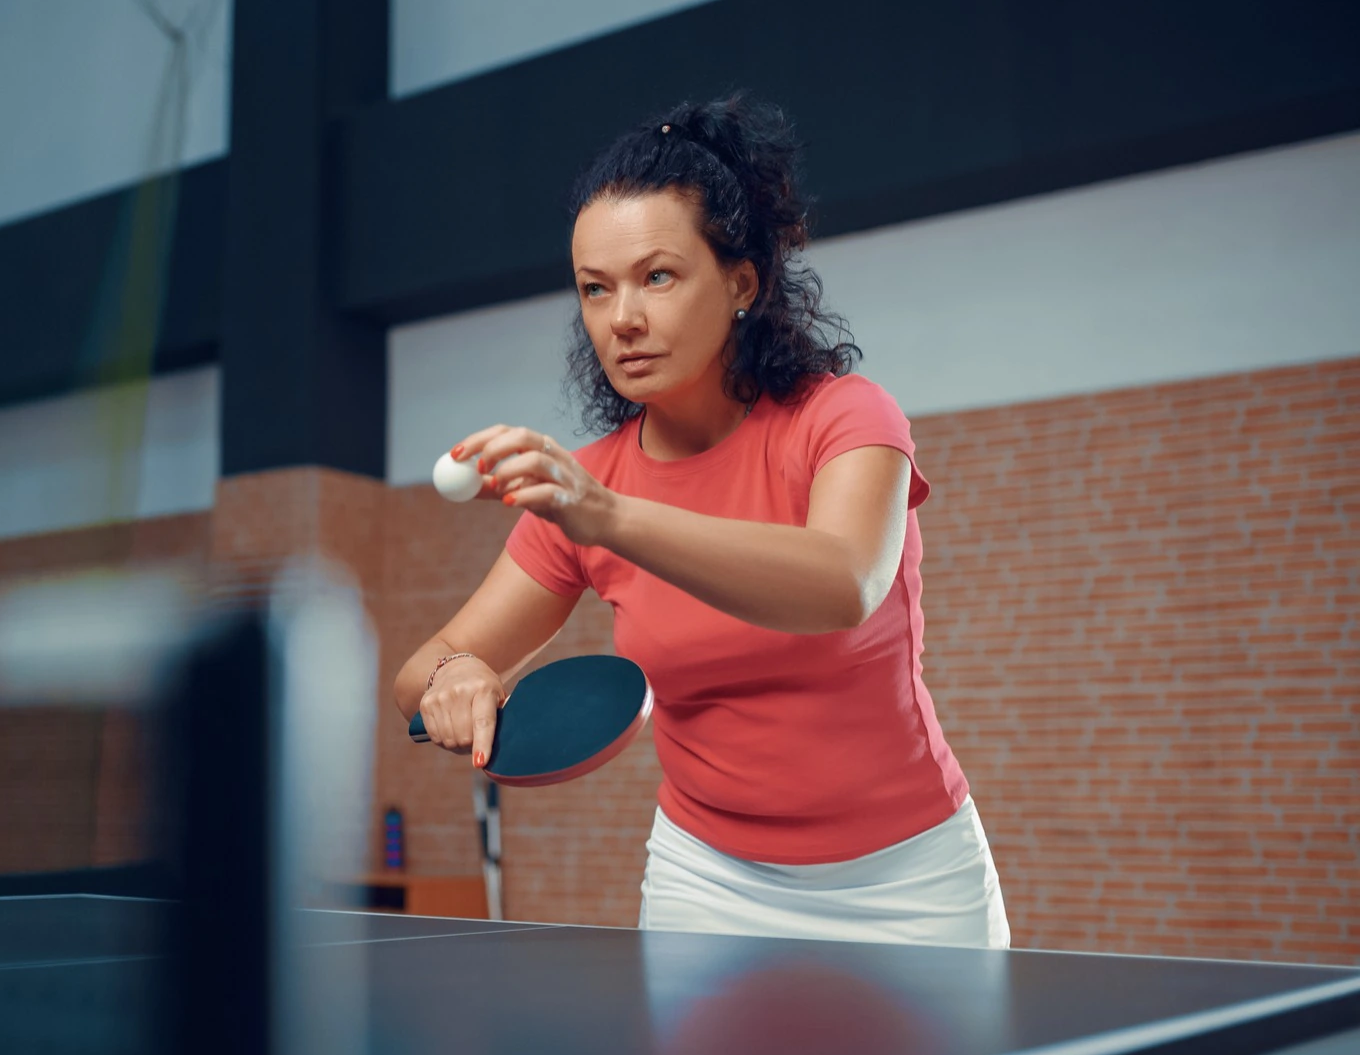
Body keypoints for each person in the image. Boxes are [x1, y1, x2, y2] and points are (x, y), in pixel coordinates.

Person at [393, 93, 1009, 949]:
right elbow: (420, 669)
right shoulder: (586, 488)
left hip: (909, 880)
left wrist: (610, 516)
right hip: (707, 882)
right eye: (595, 289)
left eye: (658, 276)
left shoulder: (844, 418)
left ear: (741, 283)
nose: (623, 318)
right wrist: (453, 676)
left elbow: (843, 583)